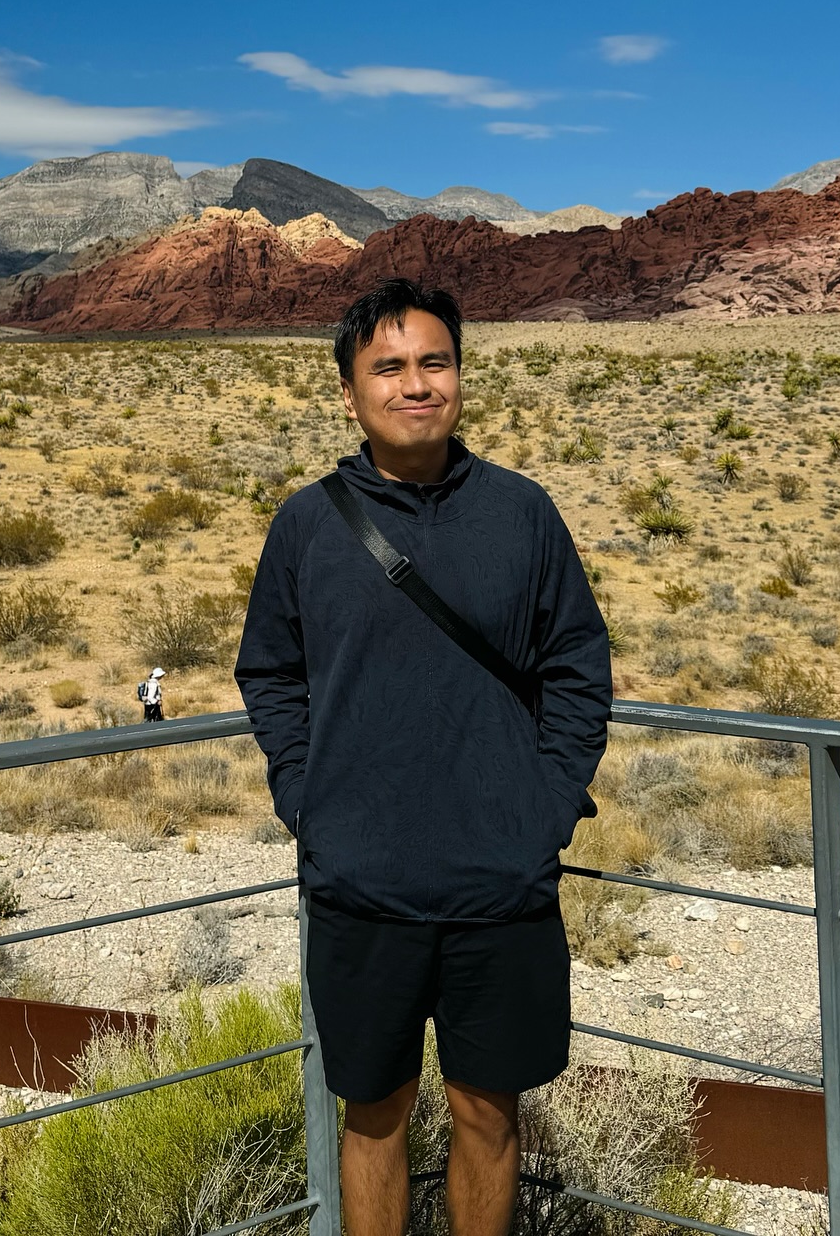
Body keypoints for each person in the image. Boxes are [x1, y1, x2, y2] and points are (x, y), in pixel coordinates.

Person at [235, 279, 612, 1236]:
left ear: (458, 377)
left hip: (502, 881)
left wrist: (548, 803)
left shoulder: (523, 515)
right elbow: (270, 672)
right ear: (351, 392)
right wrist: (306, 799)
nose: (415, 385)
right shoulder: (308, 524)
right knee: (375, 1116)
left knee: (490, 1112)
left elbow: (577, 665)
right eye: (389, 367)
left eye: (433, 363)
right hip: (363, 882)